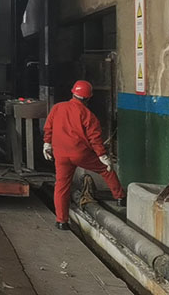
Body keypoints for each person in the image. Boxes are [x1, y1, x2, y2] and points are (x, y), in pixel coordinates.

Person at [43, 80, 125, 230]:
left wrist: (47, 144)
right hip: (80, 154)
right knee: (105, 170)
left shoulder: (57, 108)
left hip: (60, 154)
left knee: (61, 186)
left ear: (73, 93)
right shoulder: (88, 115)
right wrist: (103, 156)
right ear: (88, 98)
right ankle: (120, 197)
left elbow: (48, 127)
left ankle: (61, 221)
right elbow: (95, 139)